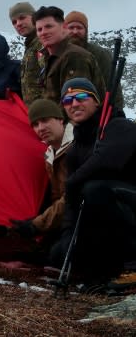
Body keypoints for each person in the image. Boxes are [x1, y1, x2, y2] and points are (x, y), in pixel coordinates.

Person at [49, 78, 136, 289]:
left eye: (81, 97)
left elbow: (108, 160)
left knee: (94, 189)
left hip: (129, 205)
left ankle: (132, 266)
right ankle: (104, 271)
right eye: (68, 100)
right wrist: (69, 238)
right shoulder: (76, 148)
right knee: (58, 253)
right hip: (105, 214)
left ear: (97, 101)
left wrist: (73, 182)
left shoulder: (120, 126)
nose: (74, 104)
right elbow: (71, 202)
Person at [10, 99, 74, 245]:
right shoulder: (49, 156)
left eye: (45, 120)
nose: (41, 128)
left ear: (60, 120)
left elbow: (71, 198)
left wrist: (37, 225)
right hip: (64, 219)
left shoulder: (76, 148)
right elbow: (56, 198)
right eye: (35, 125)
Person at [33, 6, 105, 103]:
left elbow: (76, 105)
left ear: (64, 27)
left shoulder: (74, 56)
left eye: (49, 26)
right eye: (39, 29)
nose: (43, 32)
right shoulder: (49, 58)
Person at [64, 10, 124, 109]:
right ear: (64, 30)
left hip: (95, 114)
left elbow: (114, 89)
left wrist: (116, 114)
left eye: (79, 28)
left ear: (86, 31)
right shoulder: (57, 54)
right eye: (71, 27)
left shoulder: (101, 54)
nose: (75, 31)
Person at [9, 2, 43, 105]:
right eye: (14, 22)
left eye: (22, 18)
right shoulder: (30, 46)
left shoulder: (43, 43)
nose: (18, 24)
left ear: (34, 17)